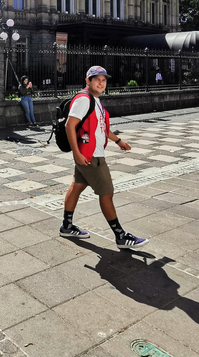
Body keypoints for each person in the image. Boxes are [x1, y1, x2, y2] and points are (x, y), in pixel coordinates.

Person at [59, 65, 148, 249]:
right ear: (88, 81)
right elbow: (69, 125)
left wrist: (118, 141)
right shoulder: (84, 100)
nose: (101, 83)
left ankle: (66, 226)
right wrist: (77, 153)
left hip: (88, 154)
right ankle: (120, 236)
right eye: (96, 79)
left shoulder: (95, 100)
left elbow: (101, 127)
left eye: (103, 80)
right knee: (107, 193)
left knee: (77, 187)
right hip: (91, 157)